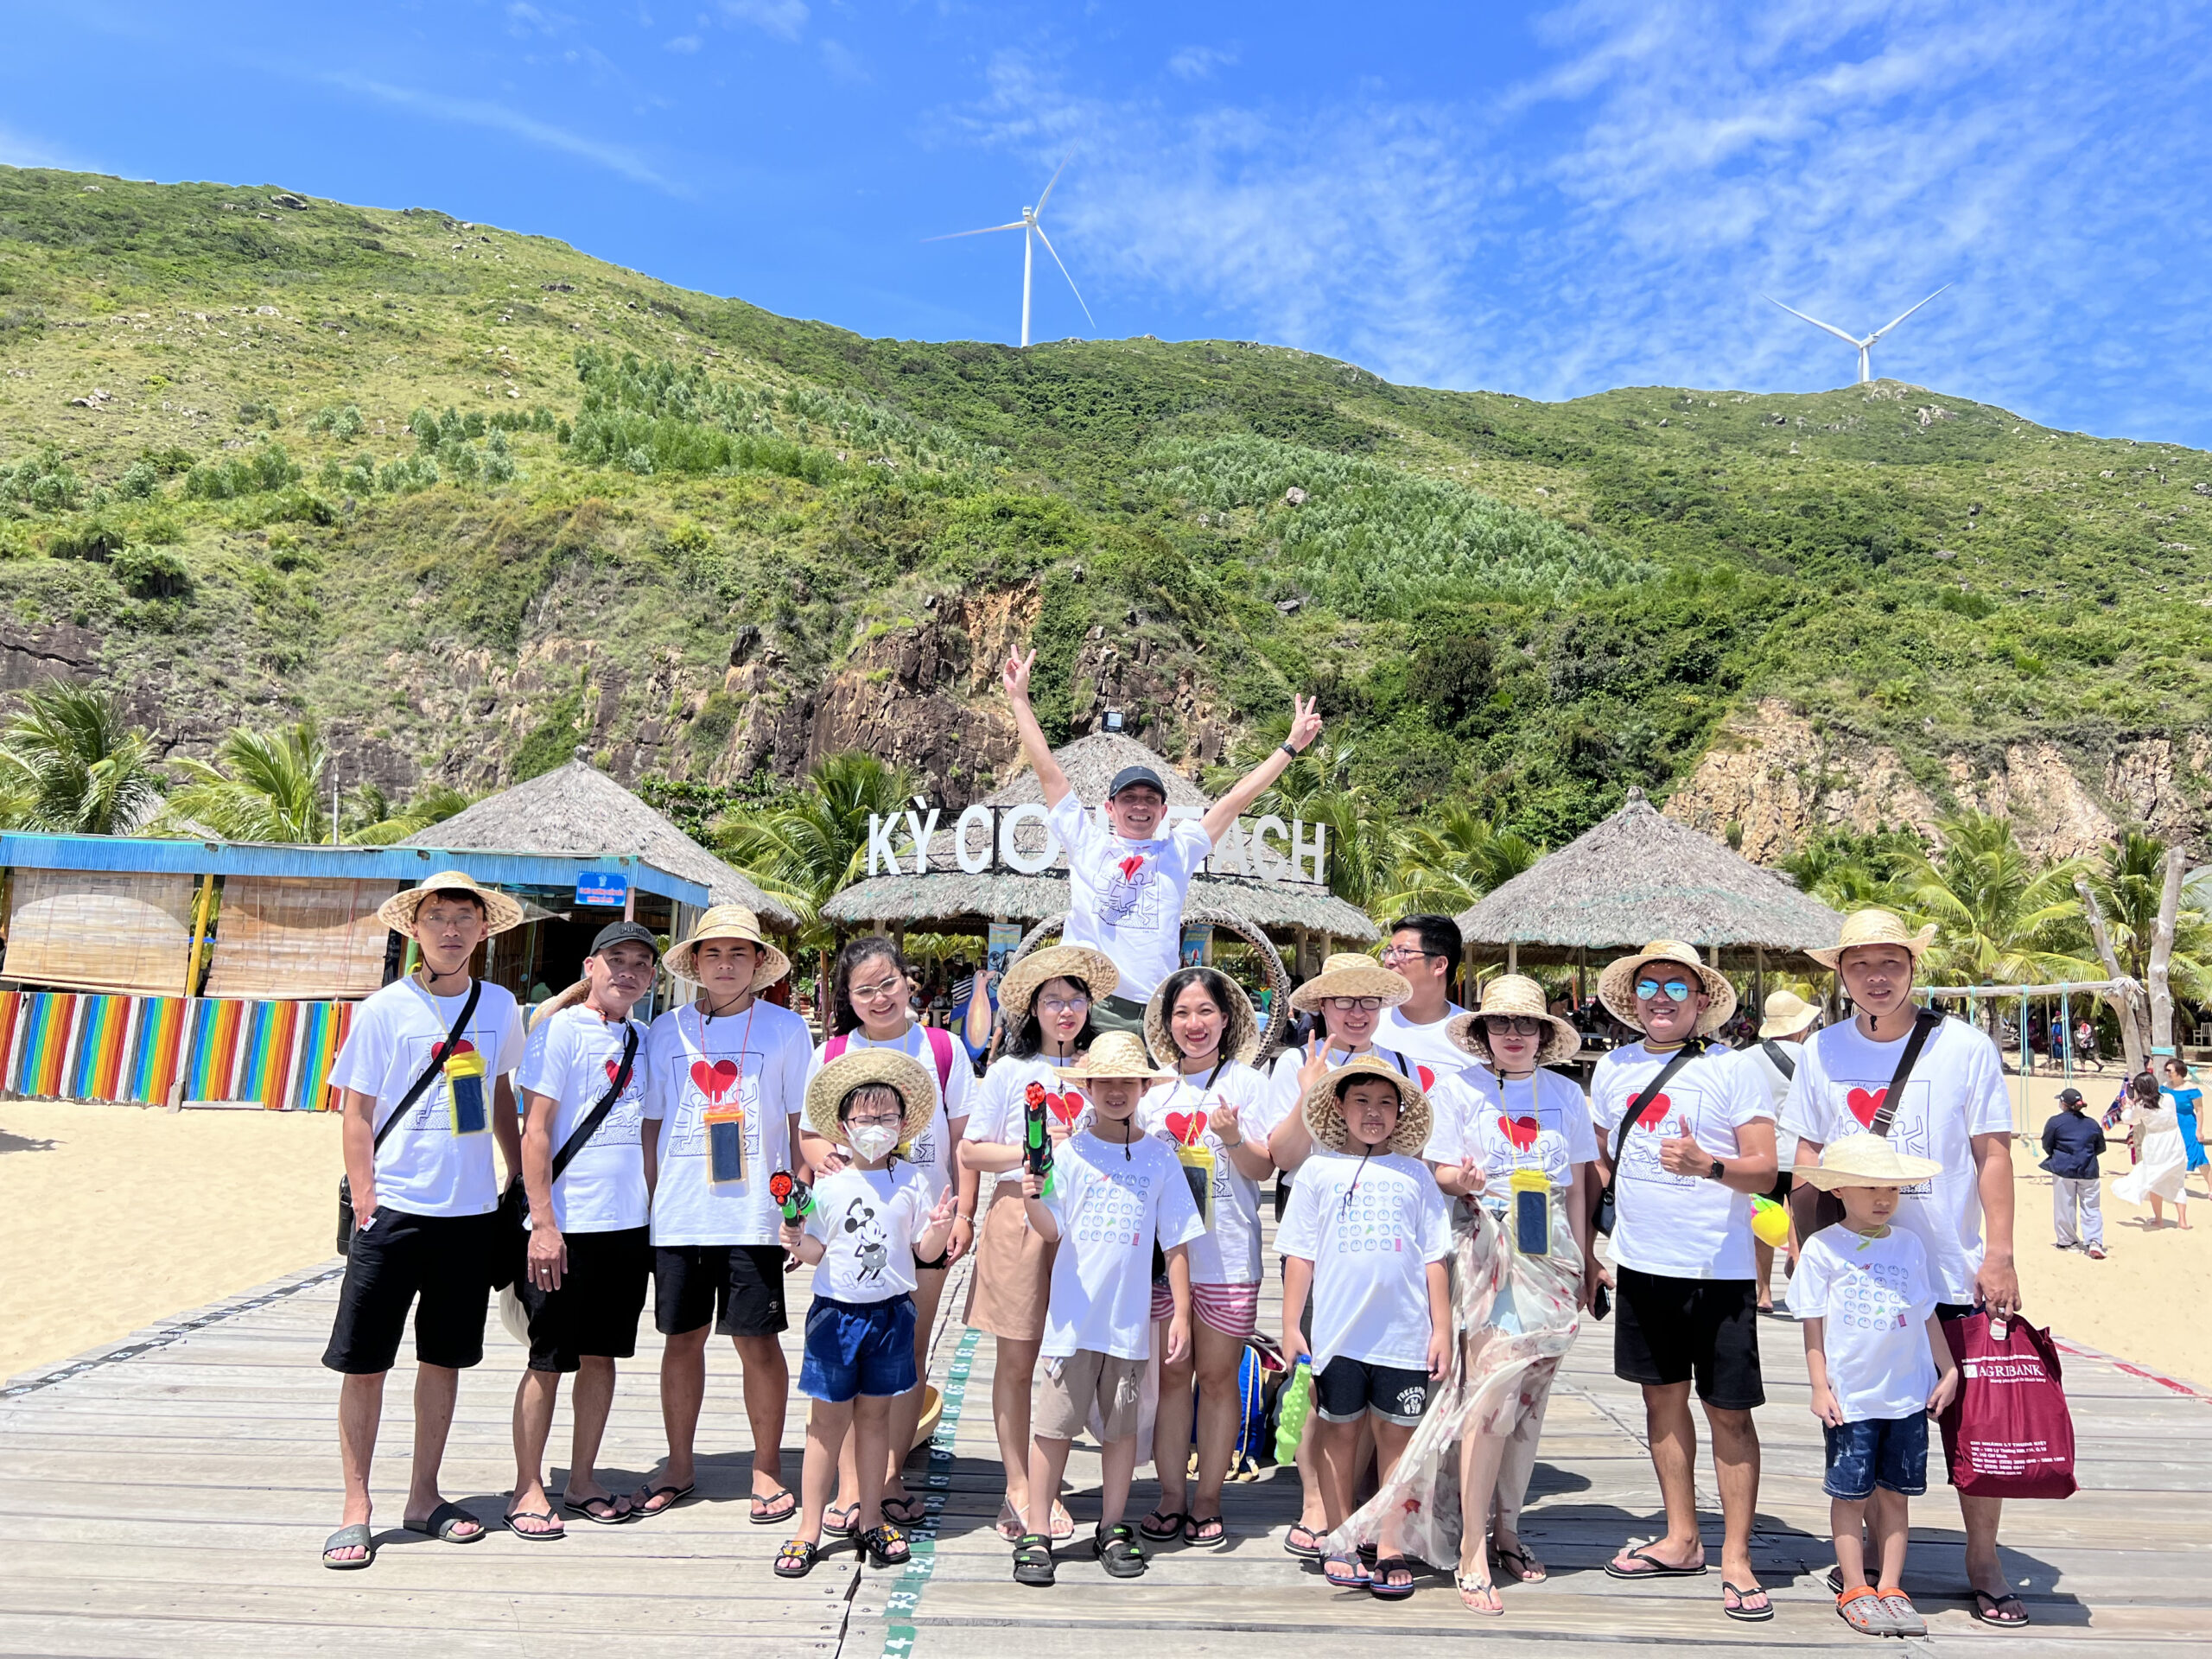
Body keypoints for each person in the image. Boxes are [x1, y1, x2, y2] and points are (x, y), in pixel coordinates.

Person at [1779, 907, 2024, 1628]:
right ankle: (1870, 1569)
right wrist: (1801, 1248)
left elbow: (1992, 1153)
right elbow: (1807, 1157)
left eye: (1891, 962)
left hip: (1949, 1266)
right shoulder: (1823, 1051)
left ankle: (1983, 1559)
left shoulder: (1964, 1047)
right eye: (1859, 965)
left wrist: (2000, 1254)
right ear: (1840, 974)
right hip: (1857, 1273)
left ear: (1914, 967)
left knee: (1975, 1428)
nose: (1876, 977)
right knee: (1864, 1422)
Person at [1362, 975, 1592, 1616]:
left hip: (1550, 1256)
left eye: (1526, 1024)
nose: (1513, 1034)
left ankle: (1507, 1529)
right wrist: (1457, 1178)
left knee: (1526, 1405)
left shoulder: (1567, 1095)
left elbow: (1577, 1185)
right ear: (1484, 1032)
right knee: (1488, 1401)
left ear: (1544, 1033)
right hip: (1483, 1249)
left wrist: (1584, 1263)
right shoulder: (1458, 1089)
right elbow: (1435, 1170)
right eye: (1500, 1023)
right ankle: (1471, 1546)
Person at [320, 872, 527, 1569]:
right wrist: (366, 1197)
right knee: (365, 1363)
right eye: (437, 917)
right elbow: (356, 1111)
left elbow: (501, 1093)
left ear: (484, 930)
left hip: (470, 1215)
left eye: (464, 918)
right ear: (415, 929)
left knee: (444, 1359)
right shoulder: (385, 1009)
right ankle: (356, 1507)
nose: (451, 930)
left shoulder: (499, 1006)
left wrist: (516, 1175)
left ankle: (423, 1495)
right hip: (395, 1211)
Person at [1590, 940, 1778, 1622]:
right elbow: (1601, 1163)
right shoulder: (1611, 1068)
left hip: (1718, 1272)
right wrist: (1592, 1249)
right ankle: (1680, 1537)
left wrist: (1711, 1167)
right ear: (1631, 999)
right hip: (1642, 1267)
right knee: (1660, 1403)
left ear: (1702, 1000)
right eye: (1649, 986)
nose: (1661, 998)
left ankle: (1737, 1556)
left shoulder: (1735, 1068)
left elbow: (1766, 1170)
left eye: (1676, 987)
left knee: (1729, 1411)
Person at [1001, 645, 1324, 1033]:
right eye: (1129, 798)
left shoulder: (1178, 849)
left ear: (1163, 810)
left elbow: (1236, 800)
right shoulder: (1087, 843)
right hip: (1095, 1006)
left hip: (1161, 1009)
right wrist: (1019, 699)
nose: (1140, 806)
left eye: (1150, 799)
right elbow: (1048, 771)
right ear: (1109, 808)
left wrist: (1289, 747)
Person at [637, 906, 811, 1523]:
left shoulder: (787, 1030)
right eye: (713, 953)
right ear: (695, 963)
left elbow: (801, 1127)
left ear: (759, 962)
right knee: (681, 1341)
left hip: (755, 1216)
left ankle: (767, 1467)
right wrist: (653, 1205)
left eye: (739, 953)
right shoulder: (666, 1031)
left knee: (757, 1342)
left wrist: (798, 1211)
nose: (726, 964)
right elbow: (652, 1126)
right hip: (680, 1213)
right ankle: (679, 1464)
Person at [1012, 1032, 1203, 1587]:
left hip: (1129, 1325)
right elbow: (1051, 1228)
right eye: (1105, 1082)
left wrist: (1182, 1313)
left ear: (1144, 1087)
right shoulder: (1069, 1153)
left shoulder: (1161, 1157)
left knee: (1122, 1431)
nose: (1116, 1091)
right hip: (1072, 1324)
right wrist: (1031, 1194)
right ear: (1088, 1087)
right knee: (1053, 1428)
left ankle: (1112, 1525)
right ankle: (1038, 1530)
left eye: (1127, 1081)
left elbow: (1177, 1240)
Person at [804, 936, 975, 1531]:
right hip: (854, 1232)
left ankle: (890, 1474)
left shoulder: (943, 1048)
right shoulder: (832, 1053)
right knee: (851, 1363)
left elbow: (963, 1140)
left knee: (908, 1354)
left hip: (924, 1223)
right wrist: (830, 1164)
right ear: (847, 998)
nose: (879, 998)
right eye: (864, 991)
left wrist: (963, 1214)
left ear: (908, 981)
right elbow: (810, 1135)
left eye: (888, 984)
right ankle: (853, 1487)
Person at [1252, 950, 1415, 1560]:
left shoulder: (1400, 1064)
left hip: (1380, 1233)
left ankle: (1357, 1499)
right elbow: (1281, 1156)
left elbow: (1410, 1150)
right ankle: (1316, 1501)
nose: (1356, 1012)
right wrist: (1308, 1095)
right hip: (1316, 1227)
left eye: (1368, 1001)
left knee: (1372, 1359)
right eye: (1343, 1000)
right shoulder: (1296, 1061)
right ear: (1321, 1005)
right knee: (1317, 1365)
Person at [774, 1050, 960, 1578]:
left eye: (886, 1117)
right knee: (825, 1425)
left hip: (892, 1315)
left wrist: (942, 1227)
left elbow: (923, 1251)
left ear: (903, 1125)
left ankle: (871, 1516)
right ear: (842, 1127)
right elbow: (815, 1251)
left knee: (876, 1419)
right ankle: (808, 1527)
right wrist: (794, 1237)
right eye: (863, 1118)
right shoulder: (827, 1185)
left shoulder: (914, 1181)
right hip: (836, 1316)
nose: (875, 1127)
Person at [505, 921, 659, 1538]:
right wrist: (543, 1223)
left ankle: (583, 1479)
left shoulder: (644, 1038)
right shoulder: (559, 1031)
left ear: (652, 978)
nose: (628, 972)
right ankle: (528, 1487)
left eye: (641, 963)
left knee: (603, 1357)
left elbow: (648, 1135)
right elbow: (536, 1131)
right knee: (547, 1359)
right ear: (590, 966)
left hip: (627, 1226)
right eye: (616, 959)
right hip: (566, 1226)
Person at [957, 943, 1116, 1541]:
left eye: (1075, 999)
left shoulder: (1102, 1067)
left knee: (1071, 1361)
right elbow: (971, 1150)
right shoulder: (1009, 1071)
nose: (1065, 1011)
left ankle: (1049, 1481)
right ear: (1033, 1008)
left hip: (1090, 1226)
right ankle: (1019, 1486)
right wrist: (1034, 1150)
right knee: (1017, 1360)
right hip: (1019, 1218)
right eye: (1052, 1000)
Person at [1281, 1056, 1453, 1599]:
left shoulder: (1416, 1174)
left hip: (1404, 1334)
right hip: (1338, 1335)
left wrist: (1442, 1329)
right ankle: (1341, 1539)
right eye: (1361, 1101)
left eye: (1385, 1103)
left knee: (1397, 1441)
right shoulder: (1317, 1171)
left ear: (1400, 1112)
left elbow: (1434, 1257)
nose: (1373, 1113)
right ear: (1339, 1106)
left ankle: (1391, 1542)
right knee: (1339, 1434)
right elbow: (1299, 1255)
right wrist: (1291, 1325)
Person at [1789, 1134, 1962, 1637]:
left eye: (1891, 1188)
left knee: (1896, 1495)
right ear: (1838, 1189)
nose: (1883, 1198)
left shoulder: (1909, 1245)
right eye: (1869, 1188)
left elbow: (1925, 1312)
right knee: (1850, 1494)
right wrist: (1819, 1386)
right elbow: (1812, 1324)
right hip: (1852, 1397)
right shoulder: (1823, 1248)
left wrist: (1948, 1368)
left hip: (1907, 1394)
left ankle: (1890, 1585)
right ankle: (1854, 1586)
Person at [1134, 965, 1274, 1549]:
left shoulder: (1248, 1084)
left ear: (1226, 1017)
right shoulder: (1151, 1089)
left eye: (1206, 1011)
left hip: (1228, 1257)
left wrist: (1234, 1137)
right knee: (1170, 1379)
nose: (1194, 1024)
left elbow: (1264, 1168)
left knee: (1217, 1381)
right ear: (1167, 1023)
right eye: (1182, 1013)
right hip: (1163, 1262)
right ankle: (1171, 1494)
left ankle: (1210, 1497)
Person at [1745, 989, 1821, 1313]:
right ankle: (1800, 1280)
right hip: (1806, 1154)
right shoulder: (1814, 1057)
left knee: (1763, 1222)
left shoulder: (1748, 1058)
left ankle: (1763, 1293)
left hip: (1766, 1155)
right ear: (1801, 1026)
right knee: (1803, 1225)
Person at [1376, 913, 1471, 1087]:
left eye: (1402, 952)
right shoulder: (1369, 1023)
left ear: (1439, 965)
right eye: (1389, 952)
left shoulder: (1473, 1035)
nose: (1389, 961)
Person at [2114, 1068, 2190, 1228]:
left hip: (2155, 1144)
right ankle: (2182, 1220)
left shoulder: (2141, 1106)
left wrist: (2127, 1106)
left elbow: (2130, 1120)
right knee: (2177, 1181)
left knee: (2154, 1181)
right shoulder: (2169, 1098)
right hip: (2174, 1141)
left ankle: (2159, 1219)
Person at [2041, 1087, 2107, 1258]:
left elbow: (2047, 1144)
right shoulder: (2092, 1124)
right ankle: (2094, 1241)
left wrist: (2059, 1155)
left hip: (2063, 1169)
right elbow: (2100, 1147)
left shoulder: (2055, 1122)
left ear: (2063, 1104)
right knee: (2091, 1207)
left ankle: (2068, 1242)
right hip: (2089, 1169)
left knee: (2065, 1206)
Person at [2161, 1058, 2207, 1185]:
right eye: (2166, 1070)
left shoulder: (2192, 1089)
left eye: (2170, 1070)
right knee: (2169, 1154)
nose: (2167, 1073)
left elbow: (2199, 1111)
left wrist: (2199, 1131)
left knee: (2198, 1155)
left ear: (2179, 1071)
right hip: (2170, 1125)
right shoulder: (2164, 1087)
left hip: (2187, 1125)